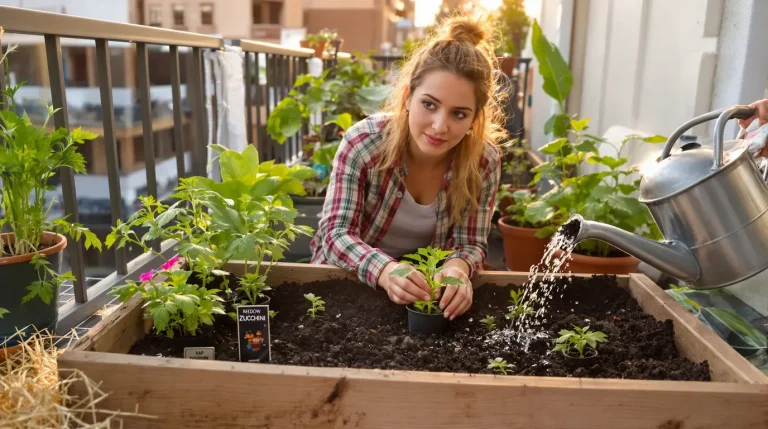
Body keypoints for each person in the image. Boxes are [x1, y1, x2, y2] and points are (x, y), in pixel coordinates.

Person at [309, 16, 506, 321]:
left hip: (424, 298)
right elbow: (335, 234)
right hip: (349, 283)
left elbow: (470, 243)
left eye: (459, 114)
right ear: (407, 97)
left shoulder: (484, 162)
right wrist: (386, 270)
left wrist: (457, 269)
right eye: (429, 104)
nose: (440, 126)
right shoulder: (364, 143)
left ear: (474, 119)